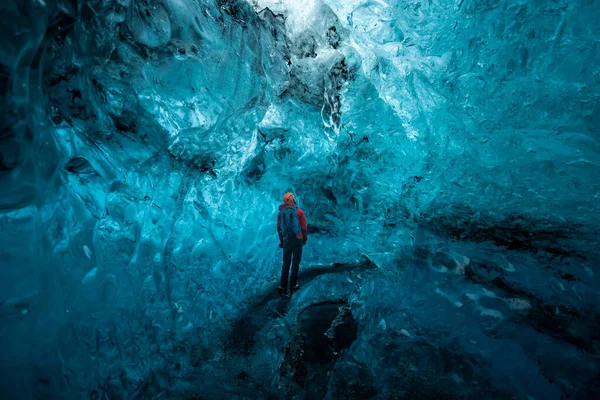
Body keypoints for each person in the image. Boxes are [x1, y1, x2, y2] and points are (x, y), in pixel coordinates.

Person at [277, 192, 308, 293]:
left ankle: (283, 286)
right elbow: (304, 227)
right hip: (298, 239)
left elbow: (279, 228)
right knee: (295, 263)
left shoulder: (280, 213)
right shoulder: (299, 211)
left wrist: (282, 240)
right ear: (292, 200)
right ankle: (293, 285)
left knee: (286, 263)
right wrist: (304, 239)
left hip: (287, 240)